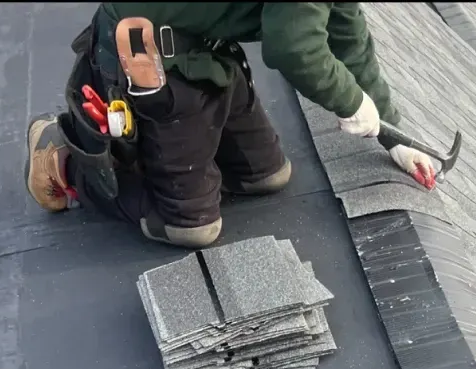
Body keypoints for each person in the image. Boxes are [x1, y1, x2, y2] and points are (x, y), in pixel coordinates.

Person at [25, 3, 435, 248]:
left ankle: (179, 154)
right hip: (153, 58)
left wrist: (391, 132)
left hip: (210, 51)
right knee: (192, 228)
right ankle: (62, 160)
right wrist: (349, 101)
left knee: (268, 176)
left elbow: (346, 32)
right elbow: (295, 48)